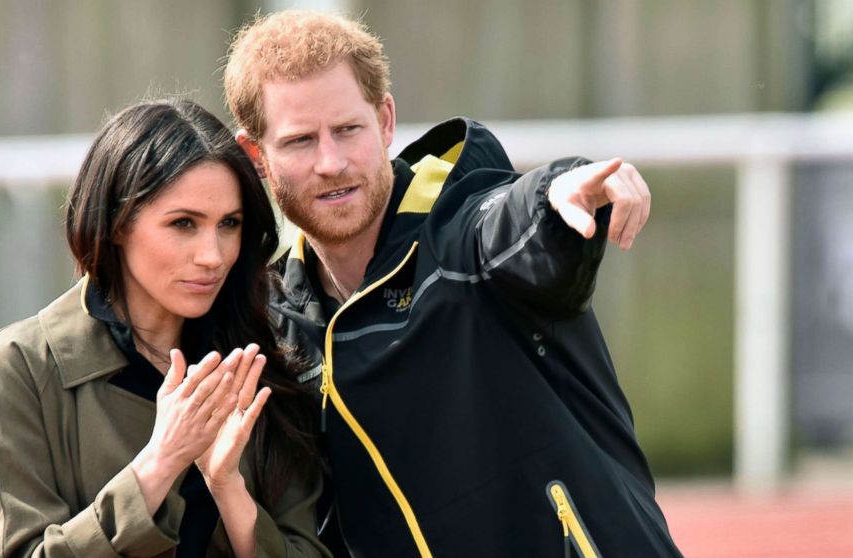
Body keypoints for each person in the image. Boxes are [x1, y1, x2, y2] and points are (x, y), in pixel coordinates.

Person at [224, 10, 682, 557]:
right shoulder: (280, 327)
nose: (332, 161)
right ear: (257, 156)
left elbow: (511, 224)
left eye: (348, 129)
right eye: (301, 141)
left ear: (386, 120)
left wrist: (559, 194)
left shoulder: (461, 232)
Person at [0, 99, 331, 557]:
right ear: (117, 223)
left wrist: (227, 486)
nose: (212, 256)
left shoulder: (264, 358)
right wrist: (160, 463)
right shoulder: (20, 368)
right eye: (183, 224)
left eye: (229, 224)